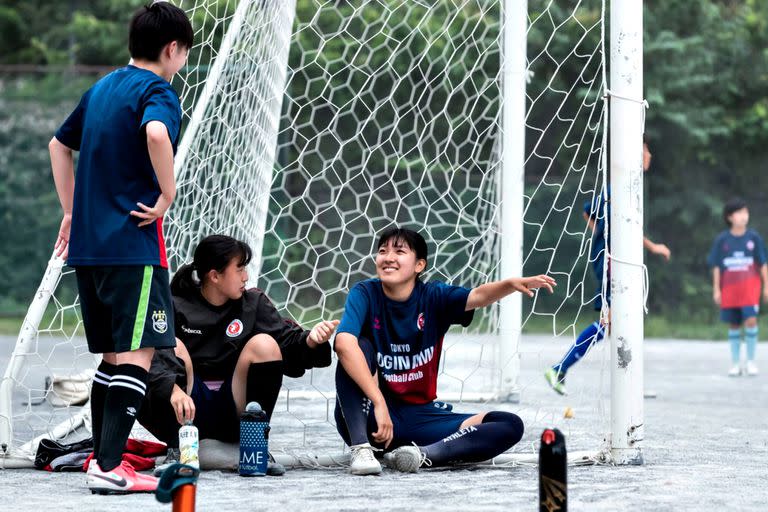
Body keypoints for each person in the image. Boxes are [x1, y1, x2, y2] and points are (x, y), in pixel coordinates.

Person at [49, 2, 193, 494]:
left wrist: (70, 211)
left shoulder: (101, 88)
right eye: (184, 55)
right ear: (172, 49)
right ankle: (109, 467)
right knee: (138, 355)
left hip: (88, 250)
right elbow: (156, 132)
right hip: (132, 248)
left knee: (112, 359)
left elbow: (57, 145)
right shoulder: (158, 90)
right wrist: (167, 193)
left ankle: (101, 457)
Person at [333, 227, 556, 475]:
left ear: (419, 265)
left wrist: (510, 284)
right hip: (371, 418)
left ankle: (420, 455)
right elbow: (342, 343)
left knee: (508, 423)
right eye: (382, 251)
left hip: (422, 419)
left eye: (399, 251)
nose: (388, 257)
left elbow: (477, 296)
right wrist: (378, 401)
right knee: (356, 347)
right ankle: (361, 450)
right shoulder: (364, 293)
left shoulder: (433, 296)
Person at [137, 235, 337, 474]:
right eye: (239, 268)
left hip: (233, 406)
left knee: (264, 344)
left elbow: (287, 342)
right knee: (170, 344)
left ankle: (253, 444)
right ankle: (178, 448)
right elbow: (149, 354)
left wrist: (311, 340)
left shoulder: (253, 304)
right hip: (186, 409)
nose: (246, 276)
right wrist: (173, 389)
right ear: (214, 275)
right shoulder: (174, 305)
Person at [544, 140, 671, 395]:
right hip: (611, 263)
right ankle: (559, 368)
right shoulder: (620, 188)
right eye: (645, 149)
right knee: (610, 321)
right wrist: (606, 240)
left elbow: (597, 215)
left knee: (621, 321)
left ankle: (628, 383)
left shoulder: (628, 187)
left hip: (614, 260)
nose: (650, 154)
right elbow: (590, 212)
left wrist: (604, 235)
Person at [708, 198, 768, 376]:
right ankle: (735, 364)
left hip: (750, 289)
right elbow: (717, 266)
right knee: (734, 324)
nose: (744, 216)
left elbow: (763, 263)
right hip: (730, 290)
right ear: (729, 217)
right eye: (739, 213)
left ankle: (750, 362)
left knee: (751, 320)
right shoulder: (722, 240)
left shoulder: (754, 238)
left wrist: (766, 286)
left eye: (746, 212)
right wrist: (716, 289)